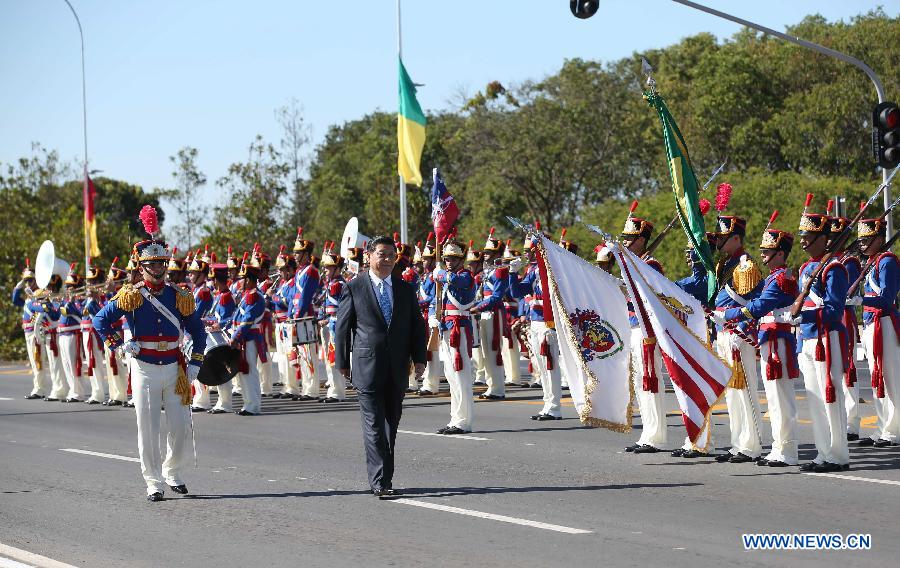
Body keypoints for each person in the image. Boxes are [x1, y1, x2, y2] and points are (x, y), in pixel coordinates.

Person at [93, 205, 206, 501]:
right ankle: (153, 481)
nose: (157, 269)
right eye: (152, 265)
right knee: (148, 429)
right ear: (141, 267)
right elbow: (100, 320)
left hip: (174, 367)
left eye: (161, 263)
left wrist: (196, 361)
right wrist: (119, 344)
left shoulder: (179, 296)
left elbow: (198, 330)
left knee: (180, 427)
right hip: (143, 367)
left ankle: (173, 471)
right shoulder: (131, 295)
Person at [334, 235, 426, 497]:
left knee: (390, 426)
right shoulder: (354, 287)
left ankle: (386, 476)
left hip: (397, 367)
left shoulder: (405, 289)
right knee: (374, 425)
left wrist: (420, 358)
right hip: (367, 366)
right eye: (381, 254)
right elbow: (342, 328)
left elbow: (416, 326)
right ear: (369, 256)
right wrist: (342, 362)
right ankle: (380, 482)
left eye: (391, 255)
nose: (386, 259)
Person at [724, 222, 800, 466]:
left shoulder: (782, 278)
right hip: (769, 339)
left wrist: (729, 315)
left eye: (768, 251)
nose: (763, 255)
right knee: (774, 399)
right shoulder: (772, 278)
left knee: (781, 399)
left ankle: (787, 450)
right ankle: (778, 448)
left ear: (780, 253)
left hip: (778, 340)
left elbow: (760, 306)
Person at [796, 199, 851, 472]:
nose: (803, 242)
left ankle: (838, 454)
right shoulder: (806, 268)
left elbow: (833, 310)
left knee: (831, 397)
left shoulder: (834, 268)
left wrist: (803, 317)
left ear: (823, 238)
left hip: (826, 338)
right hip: (808, 338)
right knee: (815, 399)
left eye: (808, 237)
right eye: (802, 236)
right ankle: (823, 452)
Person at [711, 213, 765, 464]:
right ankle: (738, 442)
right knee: (732, 392)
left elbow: (755, 302)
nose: (719, 241)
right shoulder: (725, 264)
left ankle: (751, 444)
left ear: (735, 238)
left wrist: (742, 328)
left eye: (723, 237)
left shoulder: (745, 264)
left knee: (745, 391)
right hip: (724, 331)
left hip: (738, 334)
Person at [508, 223, 565, 421]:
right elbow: (517, 292)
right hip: (535, 322)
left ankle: (554, 407)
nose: (527, 254)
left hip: (549, 324)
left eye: (531, 250)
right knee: (542, 367)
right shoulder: (533, 271)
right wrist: (512, 273)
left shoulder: (554, 269)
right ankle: (547, 404)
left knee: (551, 366)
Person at [857, 215, 900, 447]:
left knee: (891, 377)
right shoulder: (871, 262)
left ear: (879, 239)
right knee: (877, 378)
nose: (862, 244)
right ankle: (883, 427)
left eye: (867, 239)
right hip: (871, 324)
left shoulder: (887, 262)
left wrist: (860, 300)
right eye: (861, 240)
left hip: (884, 323)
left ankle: (894, 431)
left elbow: (886, 297)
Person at [434, 238, 478, 434]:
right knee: (451, 376)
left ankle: (464, 422)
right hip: (447, 326)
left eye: (453, 258)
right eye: (446, 258)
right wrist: (433, 317)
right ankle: (456, 418)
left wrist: (439, 273)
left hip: (459, 328)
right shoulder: (447, 277)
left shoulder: (465, 276)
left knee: (461, 376)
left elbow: (456, 281)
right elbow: (437, 301)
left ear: (461, 260)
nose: (449, 262)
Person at [470, 228, 510, 400]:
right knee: (486, 353)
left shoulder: (501, 271)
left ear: (497, 254)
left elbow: (496, 297)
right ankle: (491, 386)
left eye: (489, 252)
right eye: (485, 251)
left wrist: (477, 307)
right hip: (484, 313)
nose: (485, 254)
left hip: (493, 313)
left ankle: (498, 389)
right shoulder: (488, 272)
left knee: (494, 352)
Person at [11, 258, 51, 400]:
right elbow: (15, 300)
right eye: (26, 281)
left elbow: (44, 308)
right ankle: (38, 387)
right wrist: (19, 286)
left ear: (35, 280)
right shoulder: (28, 297)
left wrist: (34, 295)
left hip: (36, 332)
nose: (28, 283)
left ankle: (39, 389)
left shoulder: (39, 294)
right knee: (34, 362)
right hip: (27, 333)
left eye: (30, 280)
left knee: (38, 360)